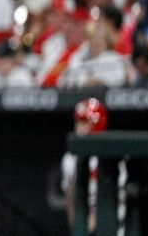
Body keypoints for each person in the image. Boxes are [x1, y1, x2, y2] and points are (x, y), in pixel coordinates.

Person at [60, 98, 107, 234]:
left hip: (108, 214)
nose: (79, 127)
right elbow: (70, 196)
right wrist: (76, 226)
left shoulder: (109, 156)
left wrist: (97, 220)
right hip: (85, 216)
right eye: (78, 122)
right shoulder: (70, 158)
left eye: (85, 122)